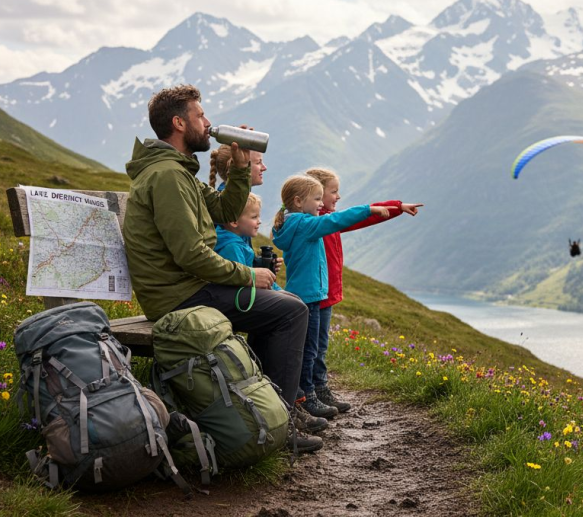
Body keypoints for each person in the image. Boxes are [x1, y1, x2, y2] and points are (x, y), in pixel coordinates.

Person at [122, 84, 322, 452]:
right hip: (179, 297)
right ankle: (280, 424)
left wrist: (242, 165)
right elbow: (190, 254)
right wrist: (248, 275)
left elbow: (228, 211)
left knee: (279, 307)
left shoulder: (179, 173)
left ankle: (267, 416)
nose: (209, 123)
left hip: (190, 288)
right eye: (201, 115)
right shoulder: (167, 176)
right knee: (290, 311)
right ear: (180, 123)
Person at [271, 175, 390, 419]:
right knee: (310, 350)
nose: (320, 205)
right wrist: (369, 209)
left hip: (300, 294)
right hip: (311, 298)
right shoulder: (306, 225)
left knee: (306, 349)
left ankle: (306, 394)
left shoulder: (290, 224)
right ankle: (308, 398)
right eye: (316, 199)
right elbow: (337, 219)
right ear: (298, 201)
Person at [304, 167, 422, 412]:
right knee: (315, 346)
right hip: (318, 294)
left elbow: (363, 217)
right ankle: (313, 392)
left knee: (319, 345)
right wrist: (394, 207)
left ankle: (318, 389)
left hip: (327, 293)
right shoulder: (320, 223)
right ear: (315, 193)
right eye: (333, 192)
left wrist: (396, 207)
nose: (338, 196)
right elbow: (356, 214)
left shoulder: (327, 220)